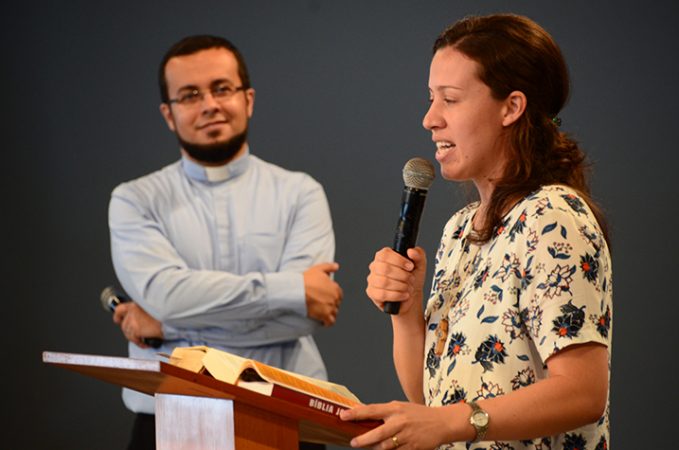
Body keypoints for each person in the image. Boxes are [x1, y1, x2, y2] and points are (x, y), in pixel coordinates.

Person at [340, 14, 612, 450]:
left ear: (511, 107)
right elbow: (432, 398)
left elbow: (583, 393)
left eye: (450, 99)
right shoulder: (460, 229)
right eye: (430, 98)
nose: (430, 119)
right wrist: (407, 317)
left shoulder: (553, 217)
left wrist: (453, 422)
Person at [108, 35, 343, 450]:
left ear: (247, 99)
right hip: (168, 415)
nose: (209, 105)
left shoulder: (300, 193)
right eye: (189, 95)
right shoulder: (135, 200)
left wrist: (167, 326)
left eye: (221, 88)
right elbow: (167, 295)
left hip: (284, 412)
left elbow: (304, 318)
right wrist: (290, 290)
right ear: (168, 114)